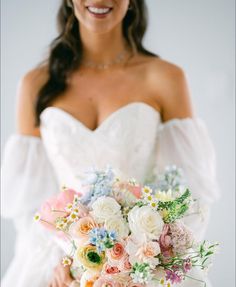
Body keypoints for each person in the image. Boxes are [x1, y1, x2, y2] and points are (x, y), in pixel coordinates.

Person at [1, 0, 220, 286]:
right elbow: (29, 202)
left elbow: (191, 191)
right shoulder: (36, 84)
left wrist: (142, 264)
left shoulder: (165, 78)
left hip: (143, 266)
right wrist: (69, 261)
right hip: (57, 268)